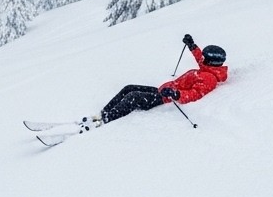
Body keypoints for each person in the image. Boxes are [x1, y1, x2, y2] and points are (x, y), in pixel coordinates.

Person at [80, 34, 227, 130]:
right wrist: (192, 45)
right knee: (129, 88)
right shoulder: (208, 68)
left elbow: (195, 94)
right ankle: (104, 112)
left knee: (134, 97)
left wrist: (175, 94)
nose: (202, 58)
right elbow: (199, 58)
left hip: (166, 99)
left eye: (205, 57)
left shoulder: (209, 78)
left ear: (211, 61)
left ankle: (107, 119)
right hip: (165, 90)